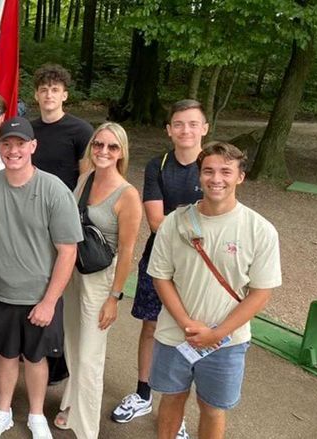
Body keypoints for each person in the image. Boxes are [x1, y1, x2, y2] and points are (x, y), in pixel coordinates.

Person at [147, 142, 281, 439]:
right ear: (199, 175)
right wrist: (186, 324)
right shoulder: (173, 223)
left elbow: (260, 293)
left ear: (240, 177)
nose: (216, 178)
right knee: (171, 399)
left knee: (212, 408)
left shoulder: (260, 229)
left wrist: (217, 334)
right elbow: (161, 277)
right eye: (208, 171)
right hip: (175, 334)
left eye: (225, 171)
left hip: (228, 342)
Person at [0, 117, 82, 439]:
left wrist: (49, 301)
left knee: (36, 358)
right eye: (6, 143)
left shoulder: (54, 189)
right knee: (5, 355)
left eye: (19, 144)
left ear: (33, 146)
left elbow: (67, 251)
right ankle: (2, 412)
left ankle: (37, 415)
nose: (13, 150)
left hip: (40, 295)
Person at [111, 100, 209, 439]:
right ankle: (142, 393)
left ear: (204, 128)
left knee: (185, 332)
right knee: (152, 328)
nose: (185, 130)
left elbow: (217, 218)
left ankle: (174, 408)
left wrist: (180, 219)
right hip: (160, 264)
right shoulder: (158, 165)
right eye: (178, 124)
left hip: (199, 270)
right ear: (169, 129)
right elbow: (156, 223)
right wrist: (195, 222)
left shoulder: (211, 167)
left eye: (192, 124)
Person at [54, 123, 143, 438]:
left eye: (112, 147)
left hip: (101, 278)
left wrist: (113, 297)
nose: (104, 152)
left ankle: (87, 428)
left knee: (91, 354)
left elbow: (128, 250)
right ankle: (71, 403)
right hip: (75, 271)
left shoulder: (128, 195)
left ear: (121, 153)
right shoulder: (83, 180)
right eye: (99, 145)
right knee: (73, 343)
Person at [30, 64, 93, 191]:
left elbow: (86, 179)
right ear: (36, 95)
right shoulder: (28, 131)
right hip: (32, 202)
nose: (49, 95)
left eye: (55, 90)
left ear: (64, 95)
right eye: (44, 90)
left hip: (67, 203)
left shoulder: (82, 131)